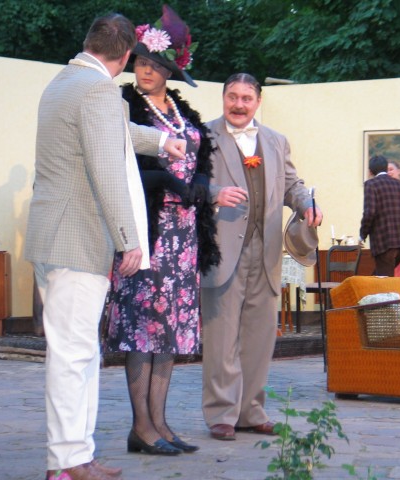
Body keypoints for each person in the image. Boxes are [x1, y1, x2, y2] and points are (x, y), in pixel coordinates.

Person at [25, 13, 187, 480]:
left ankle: (75, 455)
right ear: (127, 55)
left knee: (77, 352)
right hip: (76, 238)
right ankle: (68, 462)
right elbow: (105, 165)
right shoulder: (97, 90)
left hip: (54, 235)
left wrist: (160, 140)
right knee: (74, 355)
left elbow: (110, 131)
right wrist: (128, 237)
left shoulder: (66, 81)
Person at [106, 5, 241, 456]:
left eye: (155, 64)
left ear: (170, 71)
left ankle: (160, 423)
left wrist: (199, 181)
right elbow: (118, 167)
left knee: (170, 330)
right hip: (147, 231)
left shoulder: (181, 110)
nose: (145, 70)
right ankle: (140, 427)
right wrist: (167, 181)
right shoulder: (124, 105)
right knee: (143, 328)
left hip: (184, 234)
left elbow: (200, 156)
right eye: (141, 62)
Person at [201, 73, 323, 441]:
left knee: (260, 336)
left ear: (258, 102)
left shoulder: (276, 140)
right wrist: (214, 192)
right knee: (221, 337)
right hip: (221, 248)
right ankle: (221, 413)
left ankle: (250, 411)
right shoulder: (203, 136)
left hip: (266, 250)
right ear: (223, 98)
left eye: (246, 98)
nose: (238, 105)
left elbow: (291, 185)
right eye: (232, 97)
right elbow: (188, 182)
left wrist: (307, 204)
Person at [359, 155, 400, 276]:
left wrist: (362, 235)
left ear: (370, 171)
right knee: (380, 276)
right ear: (385, 168)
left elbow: (369, 213)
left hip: (384, 242)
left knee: (384, 280)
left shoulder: (371, 184)